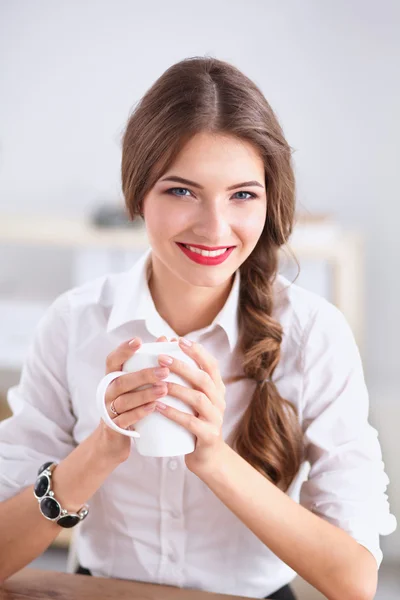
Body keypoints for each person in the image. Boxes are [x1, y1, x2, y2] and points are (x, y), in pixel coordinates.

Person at [0, 56, 396, 600]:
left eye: (242, 195)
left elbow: (354, 581)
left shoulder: (313, 335)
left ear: (269, 199)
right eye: (181, 191)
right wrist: (104, 447)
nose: (214, 227)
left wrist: (213, 457)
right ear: (137, 193)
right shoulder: (74, 324)